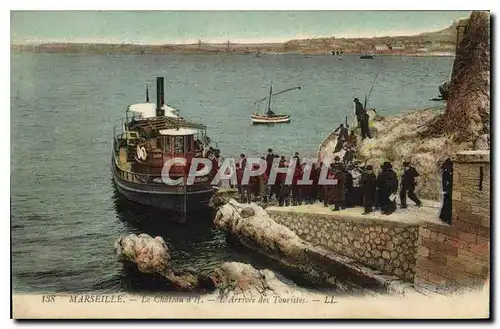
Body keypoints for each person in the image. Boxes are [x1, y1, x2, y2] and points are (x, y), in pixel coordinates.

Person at [439, 158, 453, 224]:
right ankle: (444, 217)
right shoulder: (445, 172)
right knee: (446, 202)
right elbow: (444, 182)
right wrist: (444, 190)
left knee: (449, 204)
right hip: (448, 189)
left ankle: (448, 218)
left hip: (451, 189)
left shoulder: (453, 171)